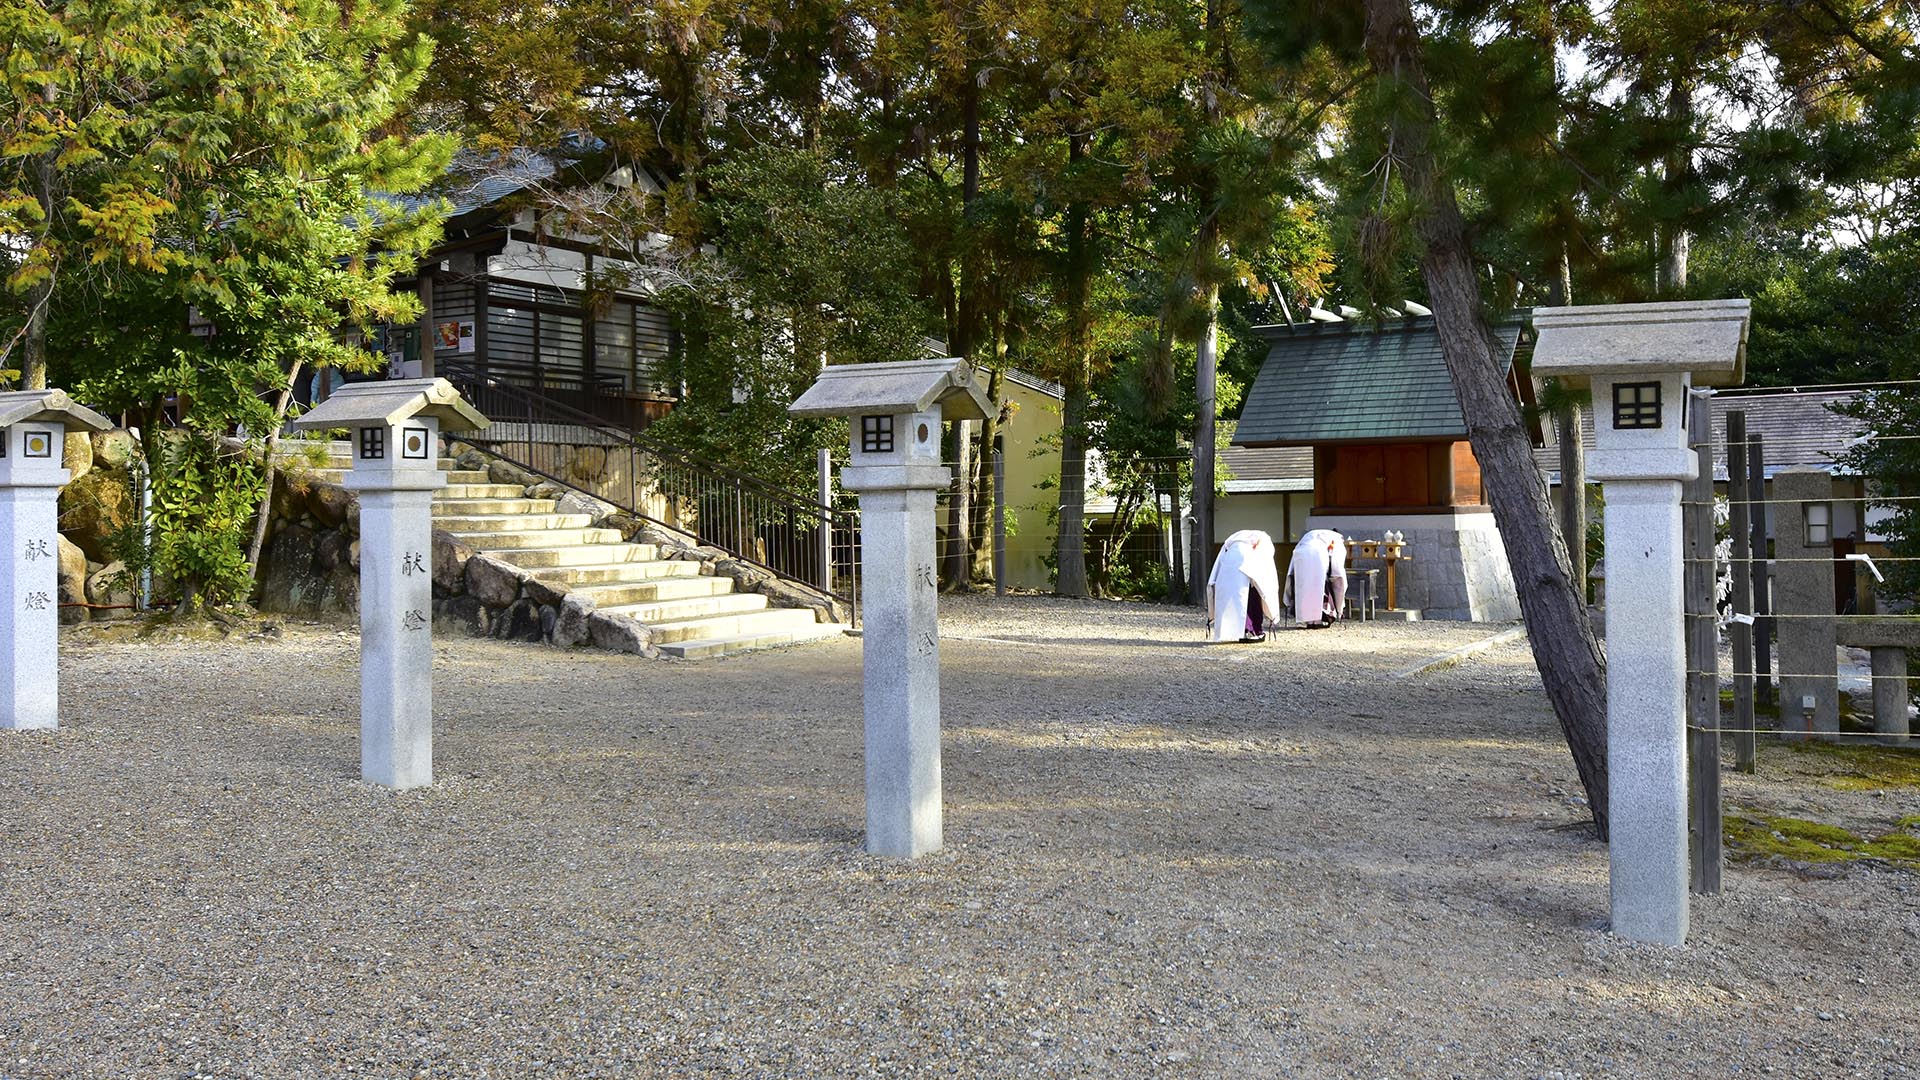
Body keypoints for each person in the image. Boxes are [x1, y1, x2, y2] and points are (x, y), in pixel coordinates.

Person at [1206, 530, 1281, 643]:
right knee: (1252, 596)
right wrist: (1273, 615)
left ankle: (1237, 631)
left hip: (1229, 561)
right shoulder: (1263, 541)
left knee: (1233, 597)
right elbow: (1267, 580)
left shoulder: (1234, 539)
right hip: (1247, 560)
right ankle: (1252, 630)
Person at [1284, 529, 1348, 629]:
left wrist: (1287, 599)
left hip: (1300, 553)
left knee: (1303, 586)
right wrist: (1340, 607)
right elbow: (1338, 574)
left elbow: (1291, 572)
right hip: (1319, 556)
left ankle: (1309, 621)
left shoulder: (1311, 535)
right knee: (1319, 586)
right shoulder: (1337, 540)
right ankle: (1317, 620)